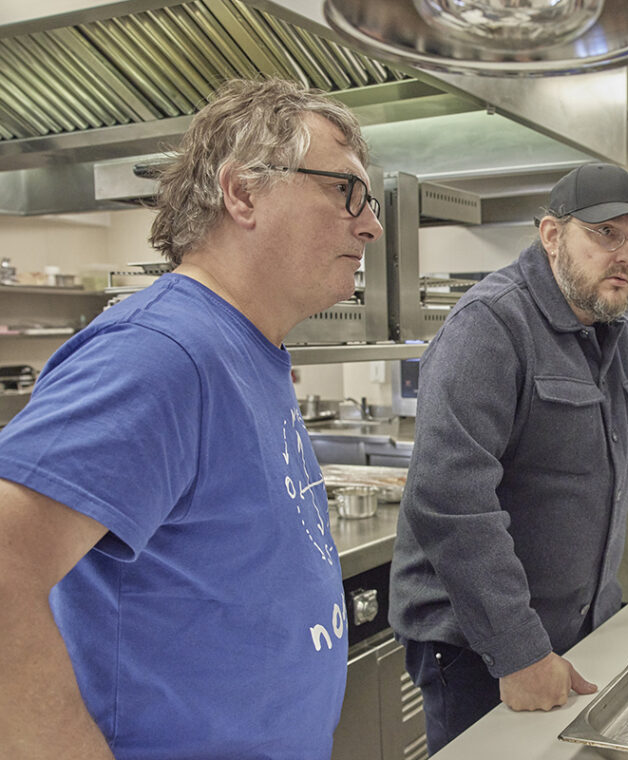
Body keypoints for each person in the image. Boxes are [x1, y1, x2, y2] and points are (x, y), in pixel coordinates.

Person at [0, 78, 383, 759]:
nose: (370, 223)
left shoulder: (248, 345)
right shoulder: (163, 353)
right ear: (242, 194)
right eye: (344, 190)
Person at [388, 162, 628, 754]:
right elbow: (451, 502)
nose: (625, 255)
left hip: (581, 624)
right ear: (552, 236)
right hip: (479, 642)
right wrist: (518, 648)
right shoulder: (491, 326)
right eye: (605, 234)